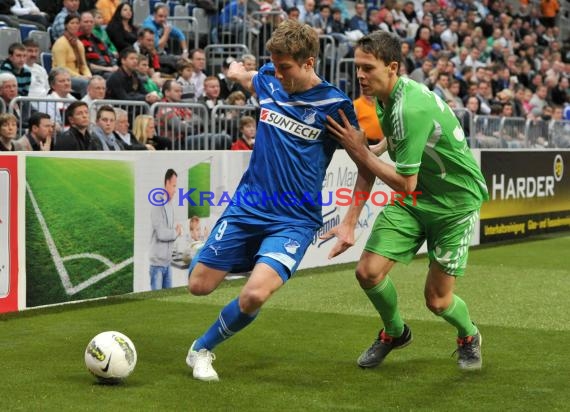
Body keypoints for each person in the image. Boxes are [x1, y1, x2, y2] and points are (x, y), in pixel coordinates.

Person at [185, 19, 359, 382]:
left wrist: (349, 221)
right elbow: (252, 79)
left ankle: (201, 349)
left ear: (309, 62)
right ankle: (209, 252)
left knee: (254, 295)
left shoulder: (334, 105)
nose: (278, 75)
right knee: (198, 286)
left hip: (295, 220)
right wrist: (235, 72)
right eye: (275, 66)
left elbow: (365, 162)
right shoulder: (268, 79)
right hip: (248, 207)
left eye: (286, 68)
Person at [324, 30, 489, 371]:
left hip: (454, 204)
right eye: (358, 67)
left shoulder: (408, 108)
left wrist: (361, 153)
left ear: (392, 67)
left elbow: (403, 181)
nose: (360, 75)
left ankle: (468, 335)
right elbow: (389, 147)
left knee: (438, 301)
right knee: (368, 272)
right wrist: (373, 153)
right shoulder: (387, 99)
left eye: (368, 68)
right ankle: (395, 333)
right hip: (416, 198)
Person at [150, 169, 183, 290]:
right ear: (167, 183)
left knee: (168, 304)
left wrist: (176, 230)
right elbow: (161, 234)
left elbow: (169, 230)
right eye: (174, 186)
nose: (175, 190)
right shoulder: (157, 204)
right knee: (157, 305)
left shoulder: (170, 206)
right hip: (157, 266)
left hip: (167, 264)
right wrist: (176, 232)